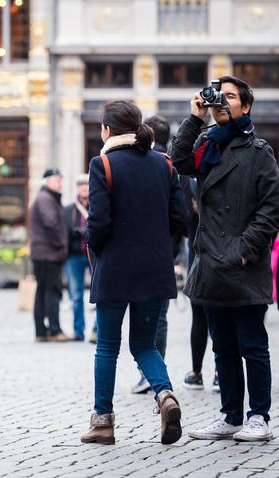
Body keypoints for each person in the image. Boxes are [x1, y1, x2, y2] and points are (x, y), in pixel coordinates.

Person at [170, 76, 279, 442]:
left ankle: (258, 416)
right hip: (211, 264)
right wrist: (194, 117)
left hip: (242, 263)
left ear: (245, 107)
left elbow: (271, 208)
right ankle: (231, 414)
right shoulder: (206, 143)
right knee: (223, 345)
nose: (222, 102)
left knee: (252, 344)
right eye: (219, 96)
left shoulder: (259, 151)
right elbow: (177, 162)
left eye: (230, 97)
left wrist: (245, 251)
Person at [80, 100, 187, 445]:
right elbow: (181, 219)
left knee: (107, 346)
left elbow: (98, 223)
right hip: (154, 270)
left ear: (108, 130)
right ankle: (165, 394)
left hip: (115, 269)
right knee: (145, 344)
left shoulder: (103, 164)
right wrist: (160, 248)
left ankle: (102, 423)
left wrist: (95, 247)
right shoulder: (164, 164)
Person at [130, 114, 175, 394]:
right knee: (159, 316)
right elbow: (181, 213)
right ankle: (157, 373)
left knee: (134, 323)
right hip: (164, 253)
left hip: (134, 254)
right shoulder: (170, 165)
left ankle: (149, 374)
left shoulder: (136, 163)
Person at [180, 175, 218, 392]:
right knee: (220, 316)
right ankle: (219, 374)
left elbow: (182, 218)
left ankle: (196, 373)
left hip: (197, 254)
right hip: (221, 252)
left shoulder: (188, 181)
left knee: (199, 317)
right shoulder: (220, 173)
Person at [28, 168, 69, 342]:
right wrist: (61, 244)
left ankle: (41, 331)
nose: (61, 183)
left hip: (43, 253)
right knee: (51, 292)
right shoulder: (46, 198)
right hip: (49, 253)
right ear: (48, 182)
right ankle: (54, 330)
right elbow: (51, 223)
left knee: (43, 292)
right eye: (58, 180)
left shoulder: (45, 197)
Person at [63, 174, 91, 342]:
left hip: (93, 255)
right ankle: (78, 330)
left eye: (86, 185)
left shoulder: (97, 205)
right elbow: (64, 231)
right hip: (74, 255)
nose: (84, 188)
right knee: (76, 295)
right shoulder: (68, 209)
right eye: (81, 185)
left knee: (100, 294)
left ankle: (97, 331)